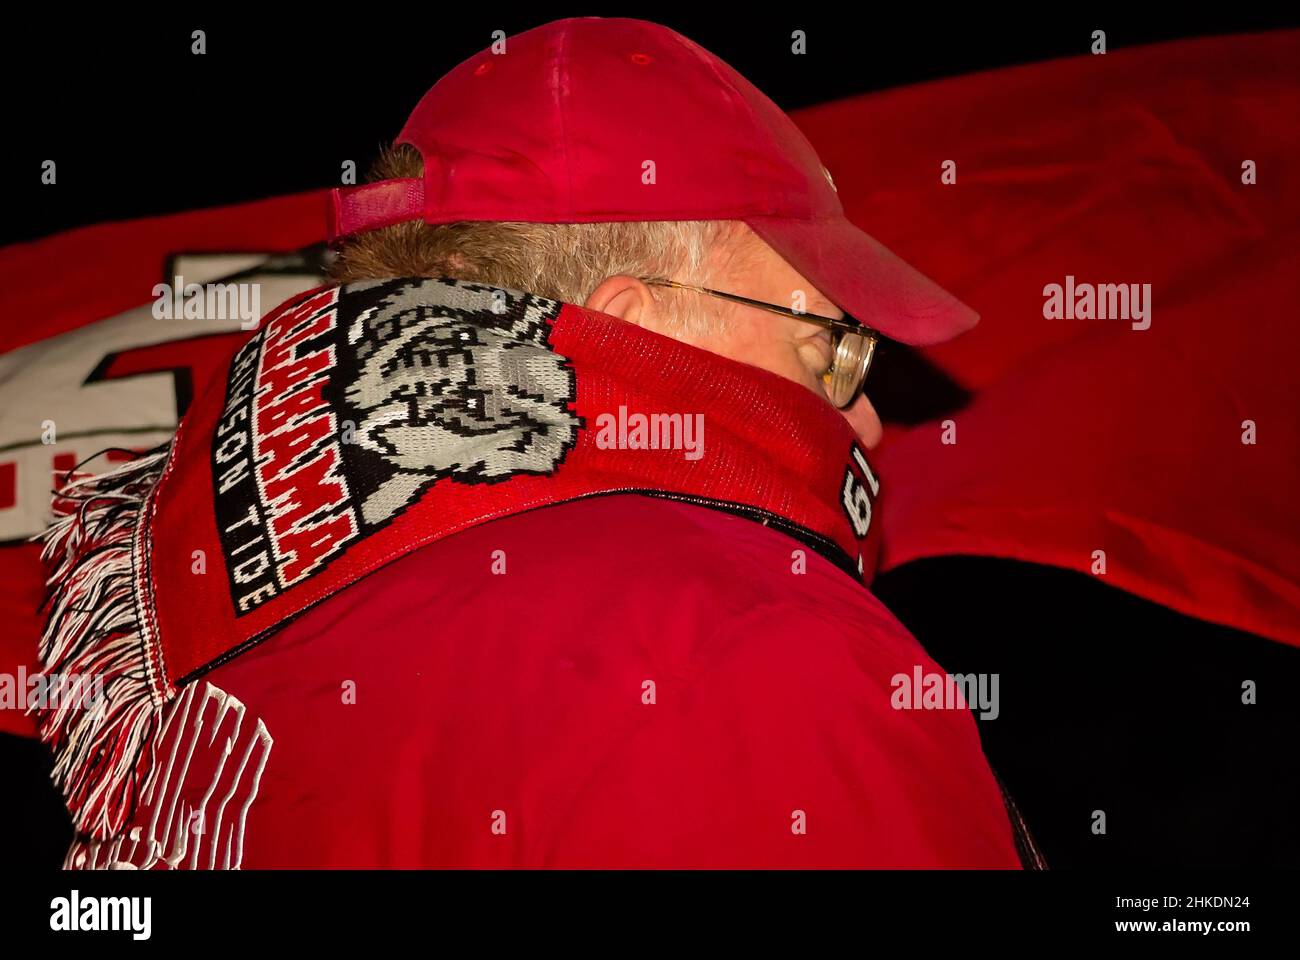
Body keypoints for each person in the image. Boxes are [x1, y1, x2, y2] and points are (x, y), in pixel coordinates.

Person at [37, 17, 1025, 869]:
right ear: (641, 330)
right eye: (827, 348)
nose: (862, 421)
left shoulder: (230, 656)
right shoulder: (755, 649)